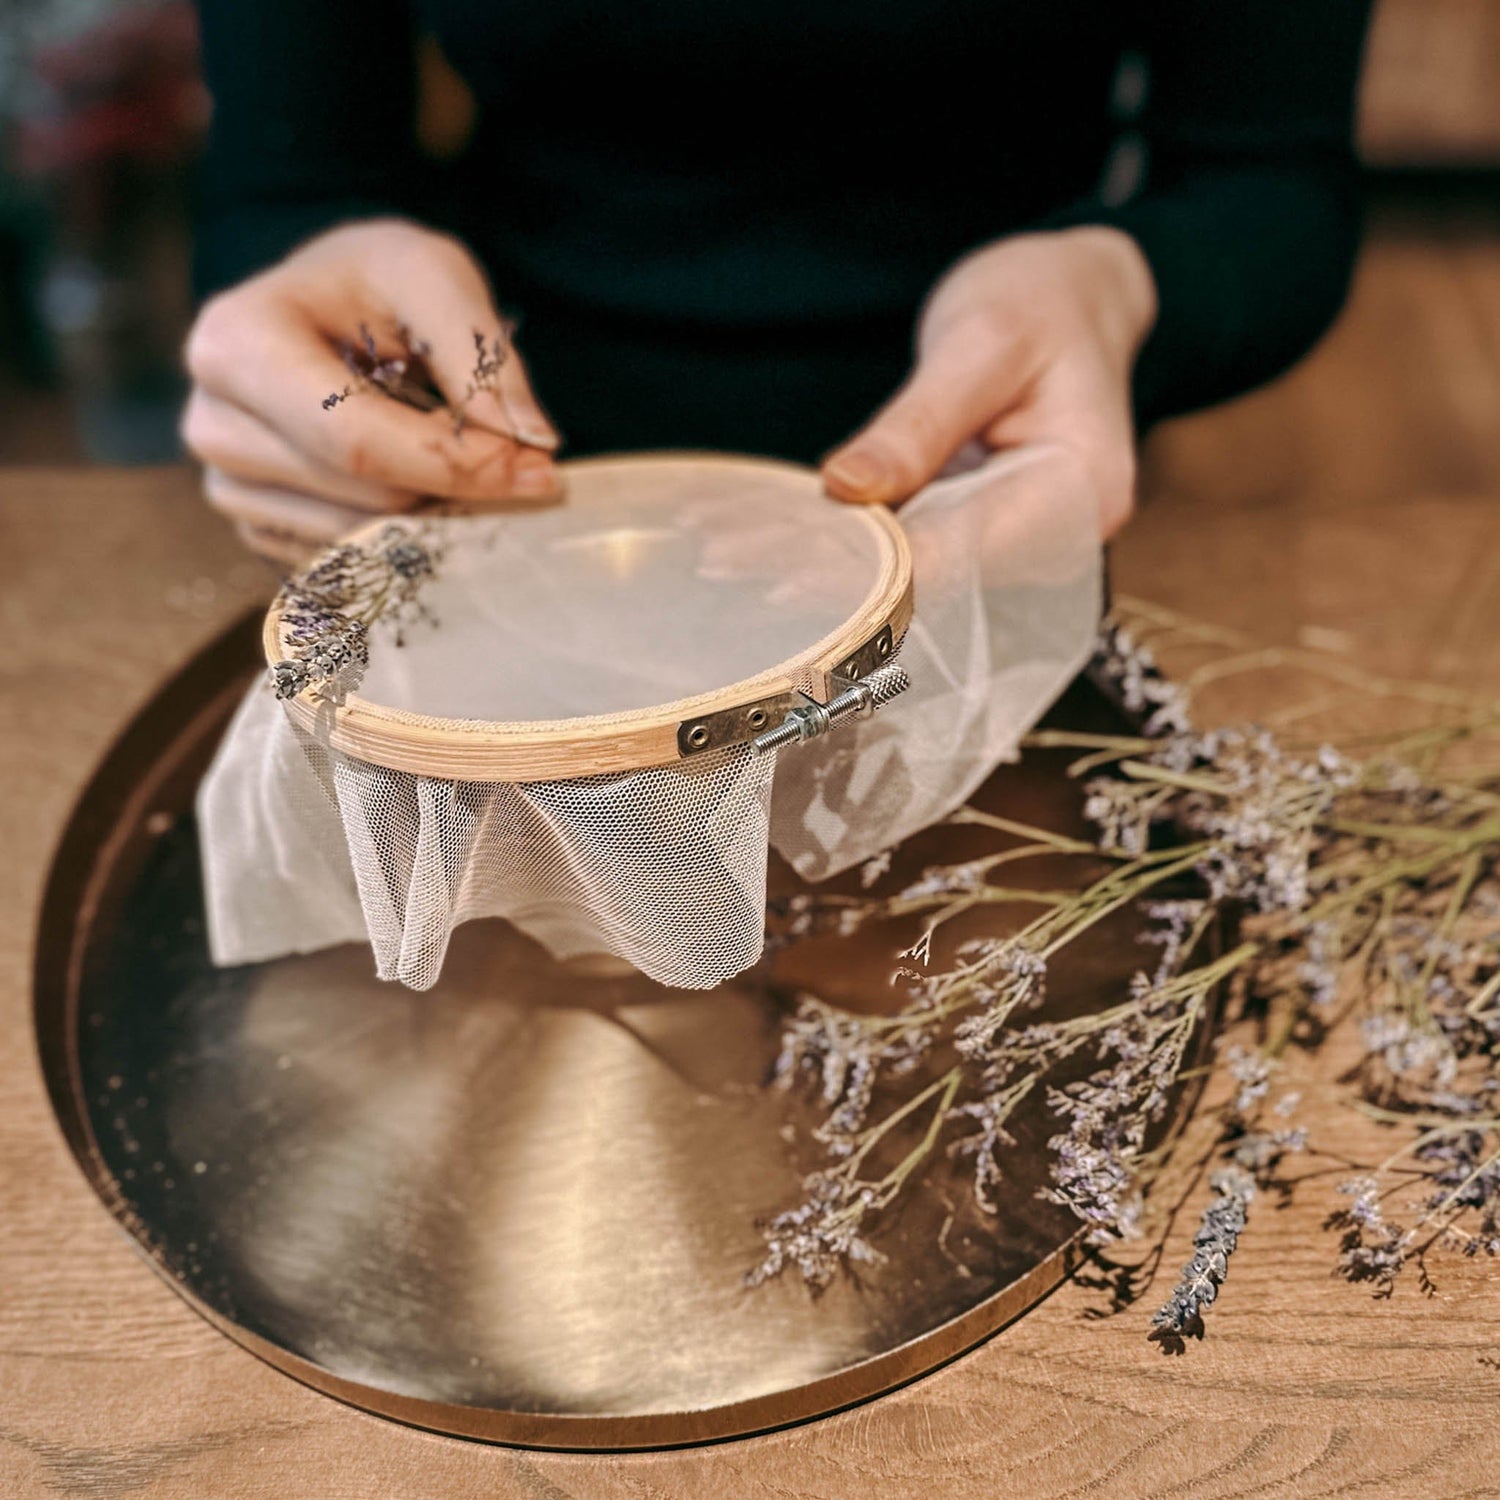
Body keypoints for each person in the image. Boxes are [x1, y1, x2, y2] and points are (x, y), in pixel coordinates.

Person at [182, 2, 1372, 562]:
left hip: (1006, 463)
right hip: (489, 477)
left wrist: (1119, 286)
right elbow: (288, 183)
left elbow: (1268, 176)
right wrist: (318, 345)